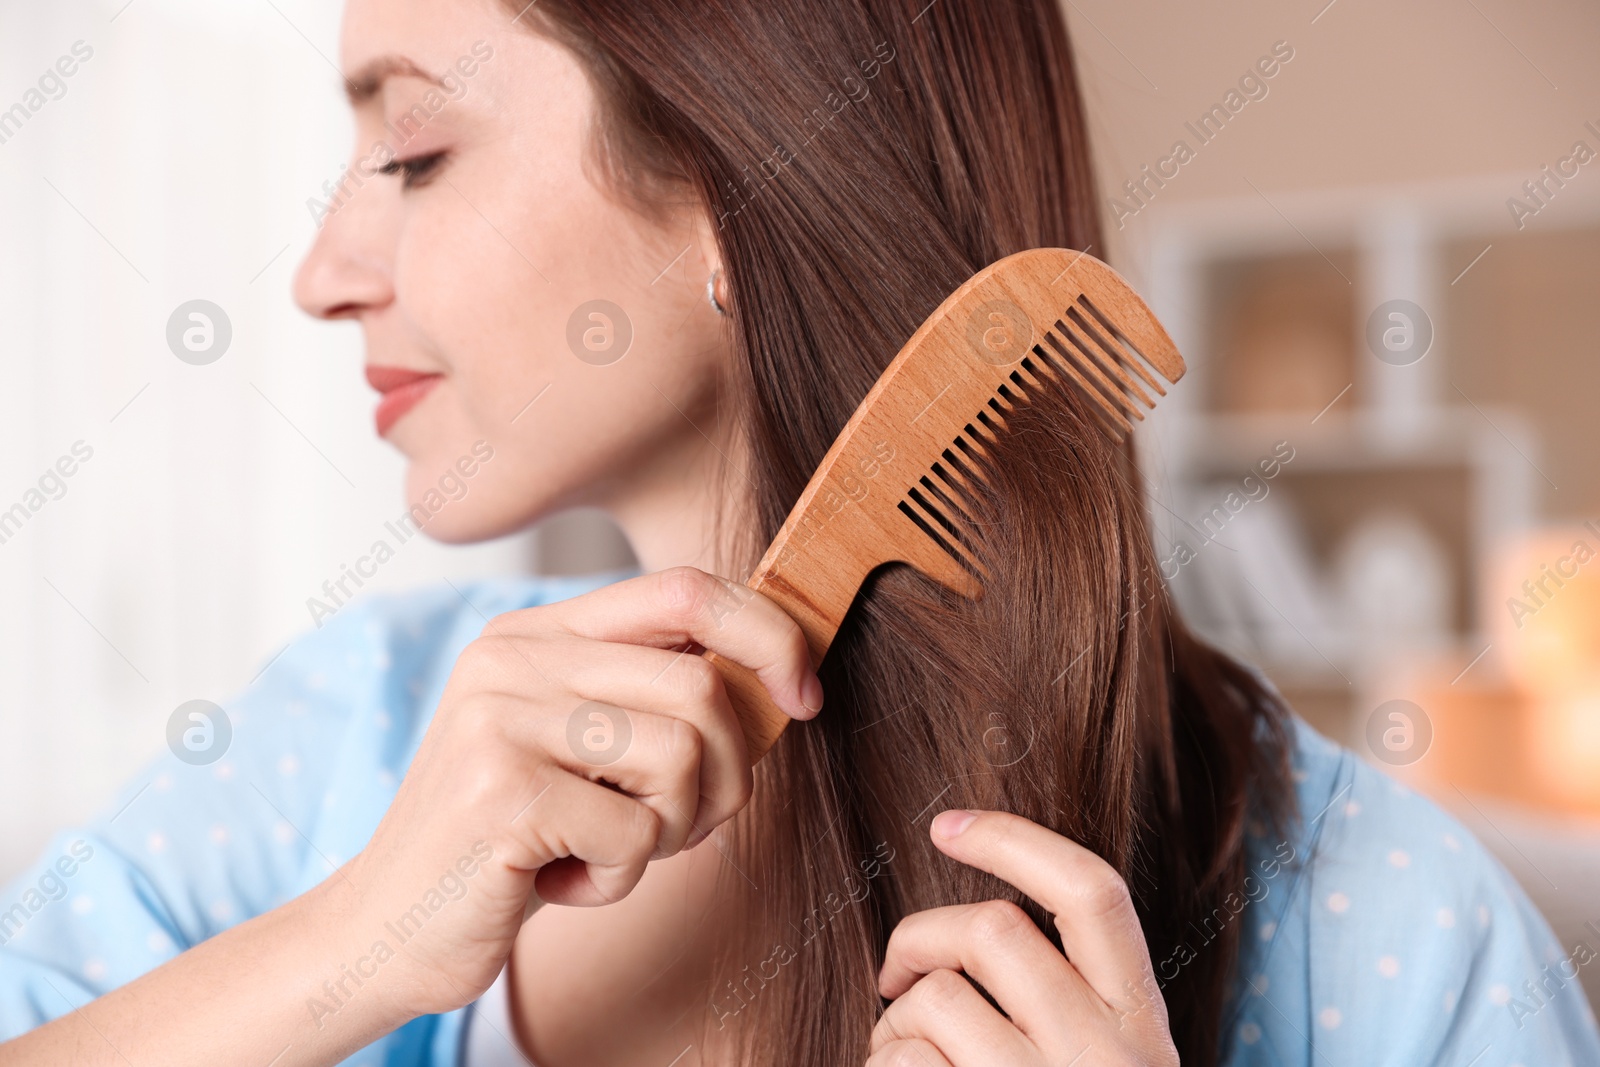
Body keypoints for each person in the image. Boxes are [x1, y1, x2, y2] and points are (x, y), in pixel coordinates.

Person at [3, 1, 1598, 1064]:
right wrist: (350, 948)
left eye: (413, 149)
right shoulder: (334, 745)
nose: (322, 269)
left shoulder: (1386, 926)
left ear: (731, 174)